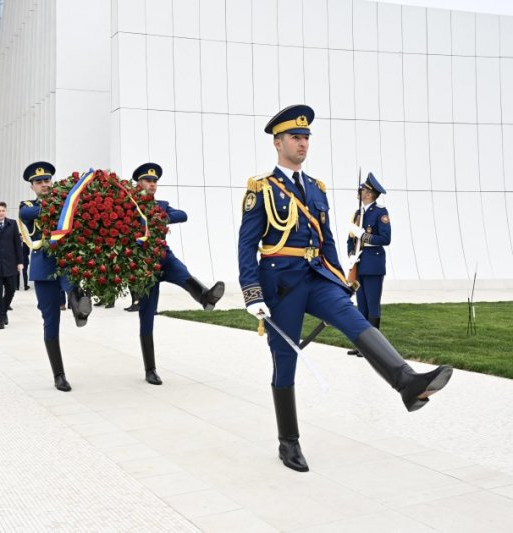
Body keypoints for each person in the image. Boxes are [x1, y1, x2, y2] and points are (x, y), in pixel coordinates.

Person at [238, 104, 452, 472]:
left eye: (306, 137)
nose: (303, 143)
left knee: (354, 320)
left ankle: (406, 382)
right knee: (285, 361)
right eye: (296, 137)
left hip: (318, 277)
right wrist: (252, 292)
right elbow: (246, 244)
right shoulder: (261, 189)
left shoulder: (316, 188)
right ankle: (288, 441)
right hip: (281, 284)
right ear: (278, 142)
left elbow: (328, 241)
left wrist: (340, 278)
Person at [132, 162, 226, 385]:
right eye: (148, 181)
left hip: (163, 257)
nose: (152, 184)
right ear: (138, 184)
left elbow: (182, 215)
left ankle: (205, 297)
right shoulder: (128, 206)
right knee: (147, 317)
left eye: (155, 181)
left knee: (183, 273)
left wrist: (160, 216)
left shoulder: (161, 205)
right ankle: (150, 369)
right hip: (143, 264)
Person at [19, 162, 93, 391]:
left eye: (47, 180)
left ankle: (79, 306)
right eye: (39, 182)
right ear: (32, 187)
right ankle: (59, 375)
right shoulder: (27, 206)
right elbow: (32, 213)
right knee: (51, 322)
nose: (44, 184)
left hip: (65, 260)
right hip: (43, 267)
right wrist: (64, 202)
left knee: (71, 285)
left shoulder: (64, 201)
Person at [346, 173, 391, 357]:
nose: (361, 191)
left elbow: (385, 239)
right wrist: (351, 253)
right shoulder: (358, 213)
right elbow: (351, 237)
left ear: (370, 194)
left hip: (373, 265)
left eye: (364, 189)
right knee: (361, 306)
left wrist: (363, 236)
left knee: (372, 306)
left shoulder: (380, 212)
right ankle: (363, 347)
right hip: (360, 264)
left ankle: (375, 349)